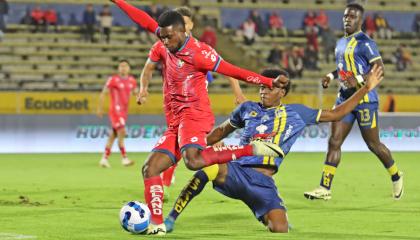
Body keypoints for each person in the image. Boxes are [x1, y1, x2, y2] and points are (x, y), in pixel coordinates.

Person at [112, 0, 286, 235]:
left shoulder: (200, 53)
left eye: (169, 37)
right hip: (175, 120)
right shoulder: (165, 39)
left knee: (192, 160)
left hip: (194, 113)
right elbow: (142, 18)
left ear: (183, 31)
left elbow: (234, 70)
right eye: (161, 37)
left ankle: (250, 150)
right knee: (150, 169)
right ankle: (157, 224)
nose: (164, 42)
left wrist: (267, 81)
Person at [164, 66, 384, 233]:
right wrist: (195, 145)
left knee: (280, 228)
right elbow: (218, 133)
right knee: (209, 169)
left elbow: (336, 114)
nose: (263, 91)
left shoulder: (297, 113)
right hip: (236, 171)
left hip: (264, 182)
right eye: (261, 86)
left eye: (269, 88)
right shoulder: (246, 109)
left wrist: (366, 88)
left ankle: (262, 212)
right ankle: (171, 218)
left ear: (282, 92)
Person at [136, 6, 246, 202]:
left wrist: (238, 92)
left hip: (196, 111)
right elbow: (148, 68)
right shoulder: (163, 46)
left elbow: (227, 69)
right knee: (185, 149)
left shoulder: (200, 52)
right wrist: (143, 88)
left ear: (190, 25)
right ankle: (169, 184)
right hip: (176, 110)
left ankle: (233, 164)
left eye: (185, 24)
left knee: (194, 151)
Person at [304, 3, 403, 201]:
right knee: (334, 141)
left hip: (365, 101)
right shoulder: (341, 42)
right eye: (345, 16)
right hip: (344, 99)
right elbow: (343, 69)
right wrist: (330, 76)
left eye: (352, 16)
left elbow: (379, 69)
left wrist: (358, 80)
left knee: (373, 145)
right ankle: (325, 187)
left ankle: (396, 175)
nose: (347, 19)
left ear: (360, 20)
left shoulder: (365, 42)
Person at [97, 59, 137, 168]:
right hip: (115, 110)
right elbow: (103, 93)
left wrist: (141, 96)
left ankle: (104, 159)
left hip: (124, 111)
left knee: (113, 135)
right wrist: (100, 108)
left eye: (125, 66)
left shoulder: (132, 81)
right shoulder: (113, 80)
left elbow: (135, 93)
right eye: (121, 66)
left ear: (129, 68)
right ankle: (124, 158)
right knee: (122, 131)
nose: (123, 68)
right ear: (118, 68)